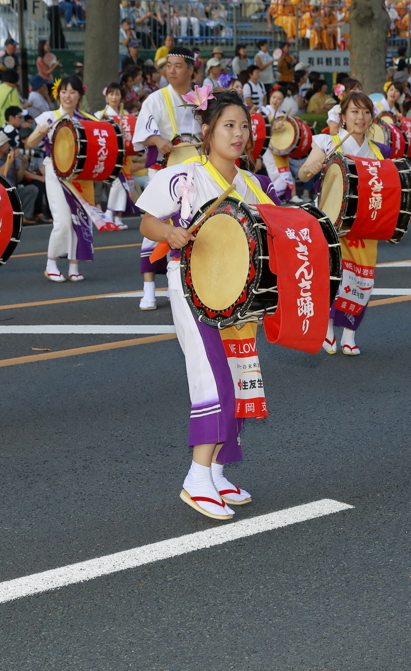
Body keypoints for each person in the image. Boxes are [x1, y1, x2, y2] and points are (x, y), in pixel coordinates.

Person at [137, 90, 279, 520]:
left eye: (243, 126)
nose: (238, 134)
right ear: (207, 131)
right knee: (212, 376)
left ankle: (217, 470)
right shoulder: (183, 176)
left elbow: (275, 230)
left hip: (239, 295)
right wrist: (169, 233)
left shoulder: (250, 183)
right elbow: (146, 222)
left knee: (237, 377)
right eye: (228, 126)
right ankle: (196, 475)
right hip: (193, 286)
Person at [296, 91, 411, 356]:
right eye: (354, 111)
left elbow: (389, 186)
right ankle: (328, 330)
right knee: (334, 277)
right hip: (331, 222)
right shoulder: (328, 142)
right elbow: (303, 172)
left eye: (365, 112)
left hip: (365, 225)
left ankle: (350, 334)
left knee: (361, 281)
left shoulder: (380, 151)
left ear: (372, 118)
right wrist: (312, 168)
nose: (360, 118)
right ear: (342, 117)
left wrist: (409, 176)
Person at [133, 46, 203, 310]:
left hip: (197, 172)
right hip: (165, 171)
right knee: (155, 225)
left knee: (194, 224)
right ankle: (148, 287)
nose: (171, 70)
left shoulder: (201, 98)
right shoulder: (156, 99)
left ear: (191, 70)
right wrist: (156, 139)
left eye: (178, 65)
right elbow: (142, 132)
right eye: (168, 65)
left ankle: (190, 279)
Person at [23, 76, 101, 282]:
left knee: (79, 218)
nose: (68, 96)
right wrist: (39, 132)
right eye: (64, 91)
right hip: (55, 171)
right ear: (58, 94)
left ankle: (74, 266)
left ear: (79, 96)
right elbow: (29, 145)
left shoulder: (87, 119)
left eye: (73, 92)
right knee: (63, 220)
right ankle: (51, 263)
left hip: (81, 174)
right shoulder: (48, 117)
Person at [95, 82, 140, 231]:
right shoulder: (100, 115)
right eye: (111, 94)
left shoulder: (126, 115)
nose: (114, 97)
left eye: (117, 94)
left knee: (124, 186)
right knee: (118, 184)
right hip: (109, 156)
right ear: (106, 96)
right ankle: (111, 213)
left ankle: (116, 216)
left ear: (121, 97)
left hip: (125, 156)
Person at [0, 131, 40, 224]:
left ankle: (25, 217)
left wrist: (23, 163)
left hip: (12, 190)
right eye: (6, 143)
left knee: (32, 189)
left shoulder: (8, 156)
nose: (9, 145)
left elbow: (20, 177)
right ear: (0, 146)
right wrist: (11, 159)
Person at [259, 86, 297, 203]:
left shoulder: (282, 114)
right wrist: (274, 127)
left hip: (279, 147)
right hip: (267, 146)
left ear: (282, 101)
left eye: (279, 99)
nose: (276, 100)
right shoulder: (263, 111)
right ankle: (274, 198)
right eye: (274, 97)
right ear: (270, 97)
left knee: (285, 171)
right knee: (274, 172)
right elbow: (261, 128)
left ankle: (287, 196)